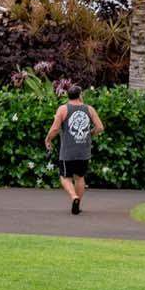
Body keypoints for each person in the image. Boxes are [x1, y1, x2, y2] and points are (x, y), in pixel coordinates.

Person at [45, 79, 101, 216]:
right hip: (83, 150)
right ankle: (77, 204)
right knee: (80, 177)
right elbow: (100, 127)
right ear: (80, 95)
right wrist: (89, 134)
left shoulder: (63, 109)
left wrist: (48, 139)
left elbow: (55, 128)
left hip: (67, 151)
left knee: (65, 177)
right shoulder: (89, 109)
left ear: (67, 96)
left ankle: (73, 197)